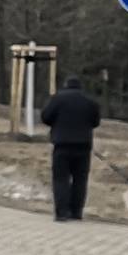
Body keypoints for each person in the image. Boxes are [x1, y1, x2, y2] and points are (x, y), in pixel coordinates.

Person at [38, 76, 102, 221]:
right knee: (80, 180)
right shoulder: (90, 102)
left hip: (62, 145)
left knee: (61, 179)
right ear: (80, 87)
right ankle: (76, 212)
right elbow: (95, 122)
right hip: (83, 146)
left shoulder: (57, 99)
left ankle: (62, 213)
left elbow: (45, 117)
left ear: (66, 86)